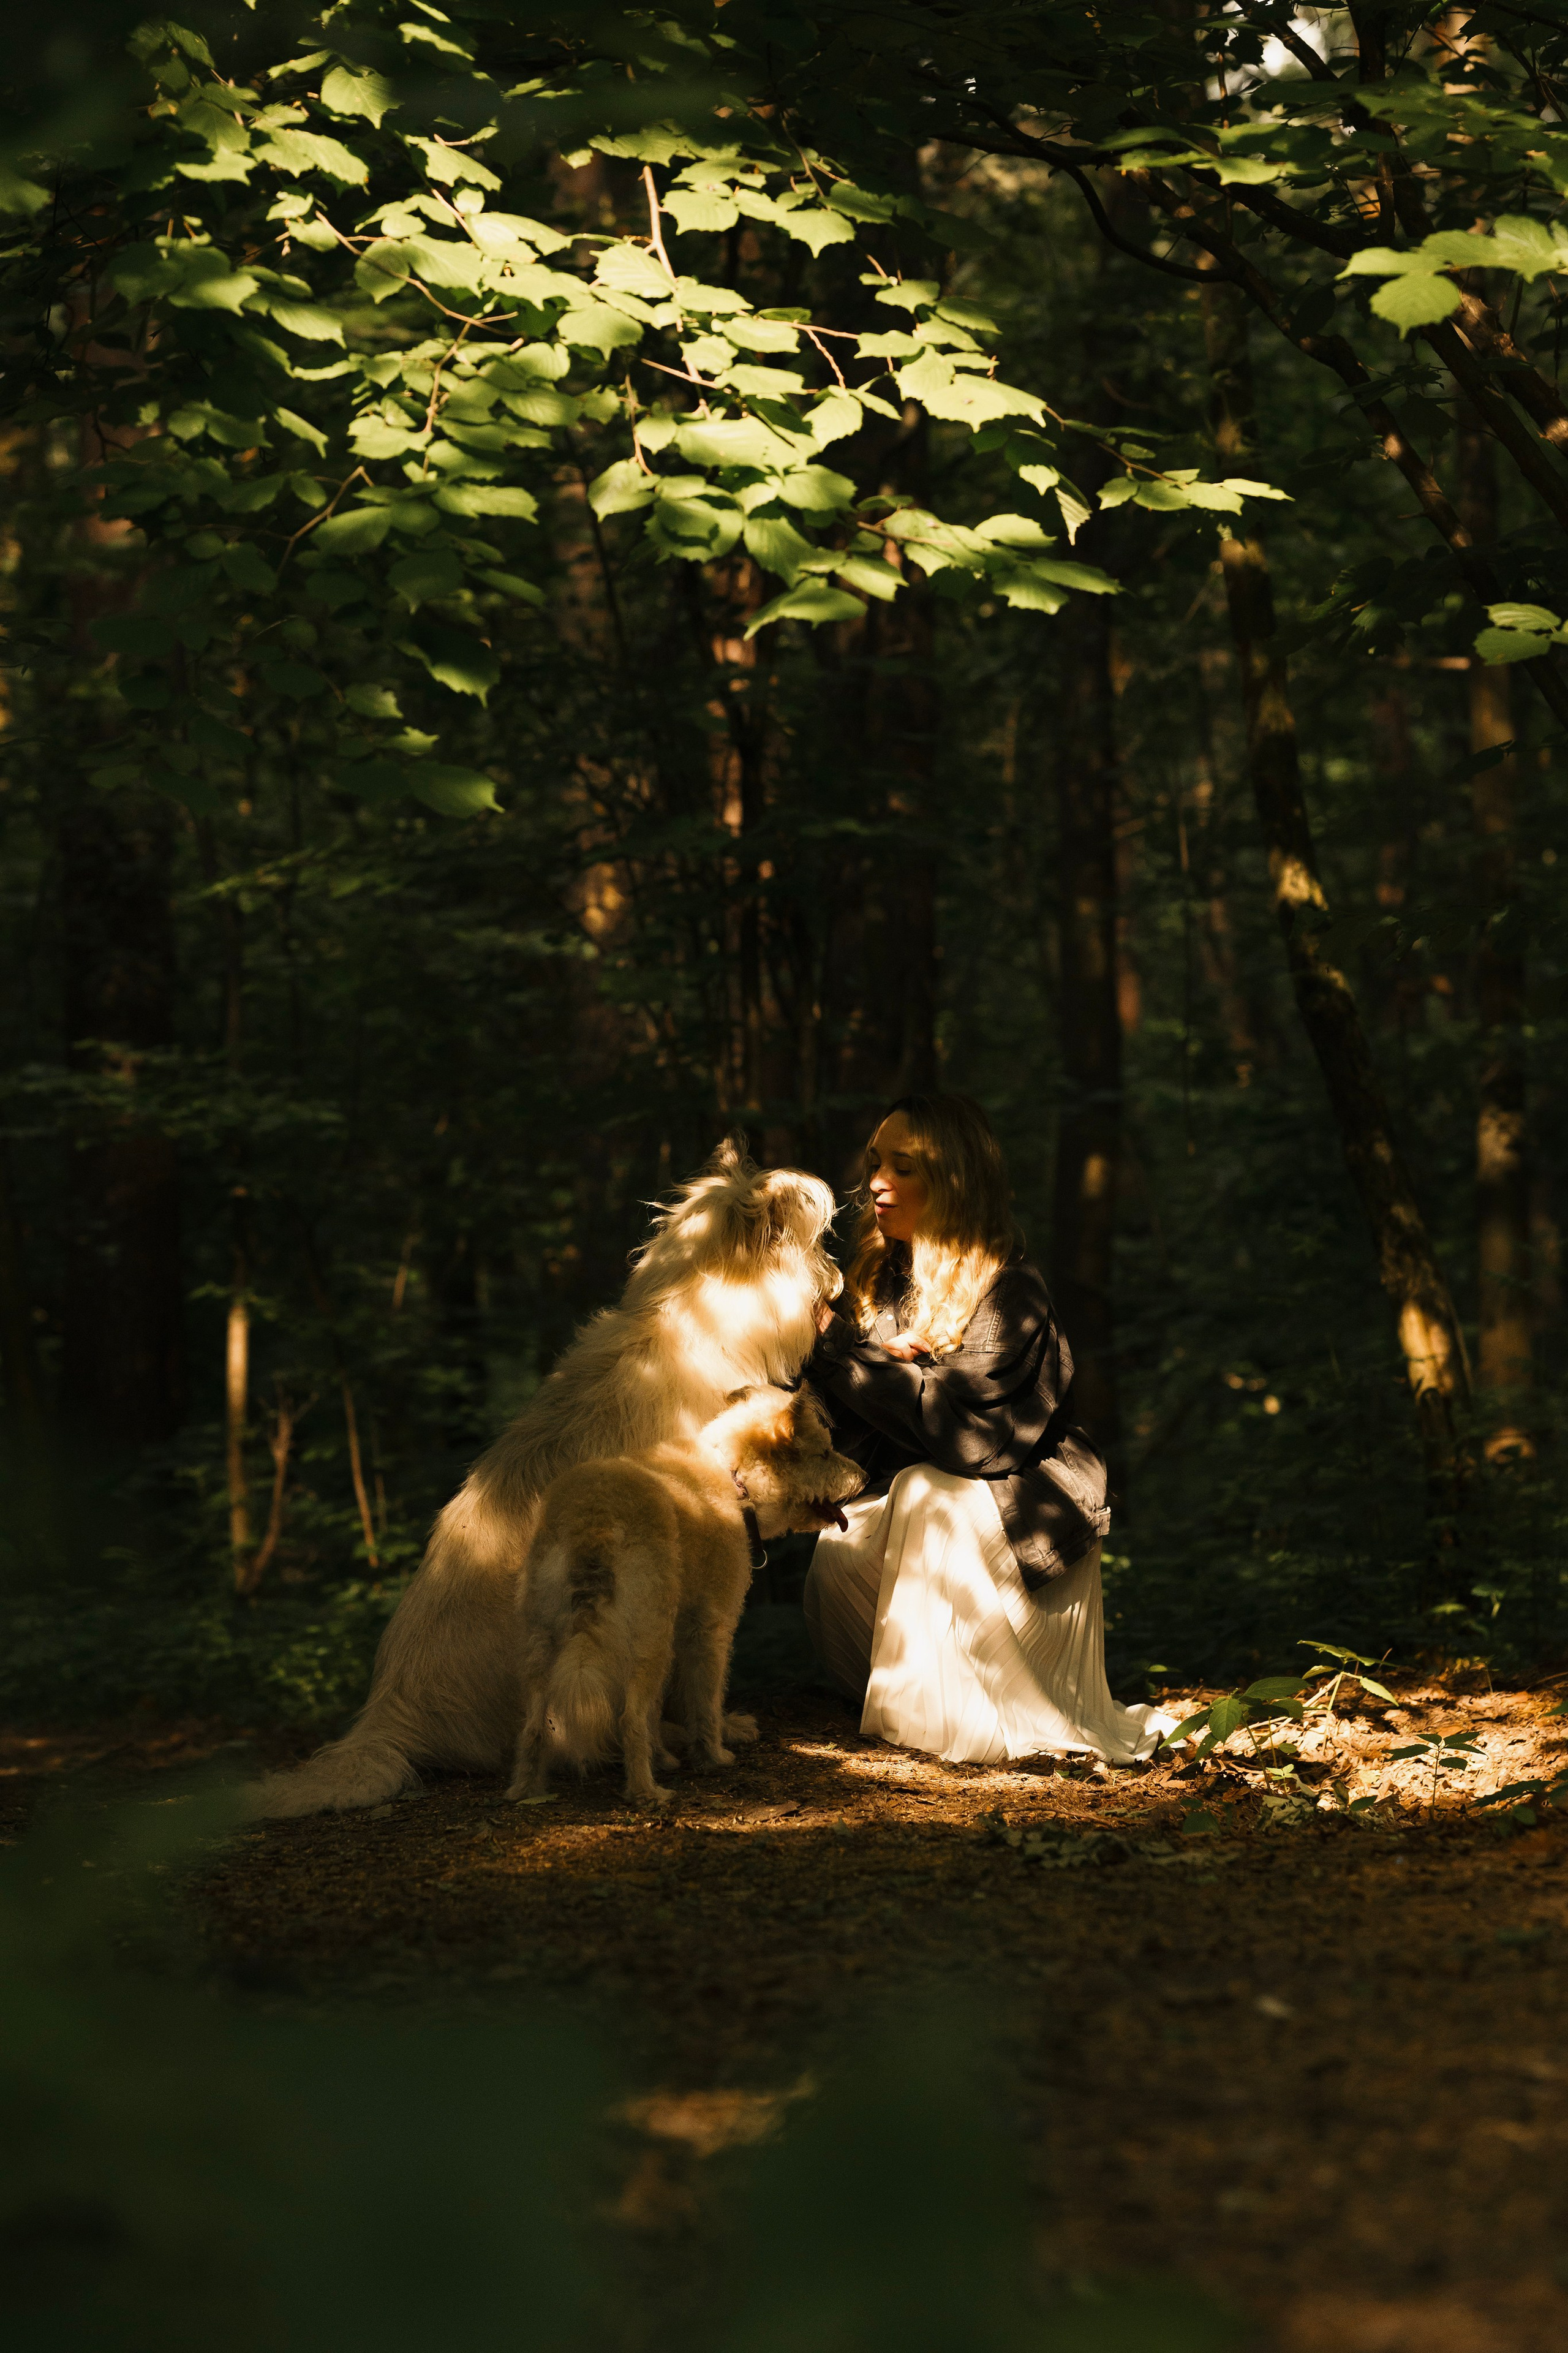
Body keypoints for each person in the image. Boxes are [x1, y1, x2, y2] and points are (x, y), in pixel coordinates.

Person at [801, 1093, 1170, 1769]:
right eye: (874, 1162)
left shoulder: (1011, 1292)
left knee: (924, 1491)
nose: (877, 1181)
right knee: (838, 1554)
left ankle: (955, 1723)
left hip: (1025, 1529)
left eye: (903, 1166)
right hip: (930, 1520)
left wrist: (861, 1363)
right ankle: (916, 1705)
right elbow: (860, 1420)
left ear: (954, 1181)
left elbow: (968, 1442)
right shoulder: (878, 1286)